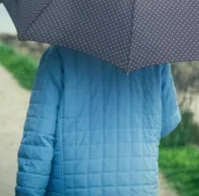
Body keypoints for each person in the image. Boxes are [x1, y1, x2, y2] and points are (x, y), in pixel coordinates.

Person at [15, 44, 182, 196]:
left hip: (71, 185)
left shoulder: (58, 54)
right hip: (138, 186)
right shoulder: (156, 60)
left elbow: (38, 137)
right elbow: (167, 123)